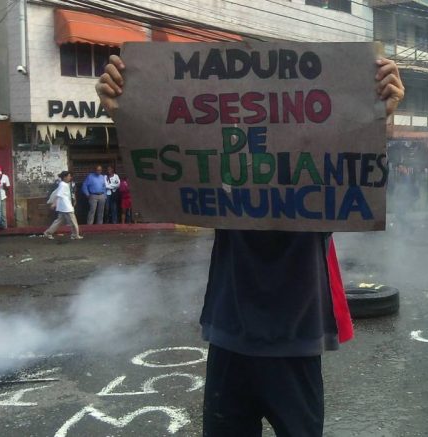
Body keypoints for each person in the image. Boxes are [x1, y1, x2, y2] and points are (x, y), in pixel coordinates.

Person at [97, 54, 404, 436]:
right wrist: (127, 114)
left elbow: (361, 179)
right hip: (231, 337)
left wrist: (378, 123)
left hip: (295, 340)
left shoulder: (324, 172)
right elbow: (173, 155)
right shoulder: (225, 171)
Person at [44, 171, 82, 240]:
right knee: (73, 221)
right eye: (69, 176)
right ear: (65, 177)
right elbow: (58, 195)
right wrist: (54, 203)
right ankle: (75, 235)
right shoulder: (63, 185)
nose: (70, 177)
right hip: (66, 207)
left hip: (63, 206)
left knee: (59, 221)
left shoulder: (63, 184)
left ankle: (48, 233)